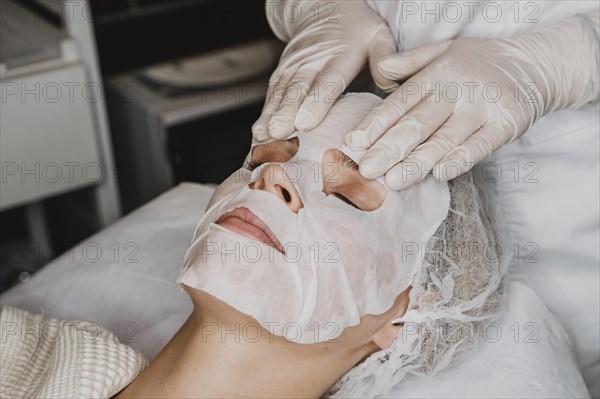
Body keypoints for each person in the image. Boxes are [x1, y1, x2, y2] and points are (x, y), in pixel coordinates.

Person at [115, 93, 506, 398]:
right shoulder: (59, 354)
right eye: (260, 159)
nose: (273, 175)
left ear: (410, 319)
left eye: (347, 196)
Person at [253, 1, 599, 190]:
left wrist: (553, 61)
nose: (273, 180)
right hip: (395, 205)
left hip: (563, 216)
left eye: (348, 200)